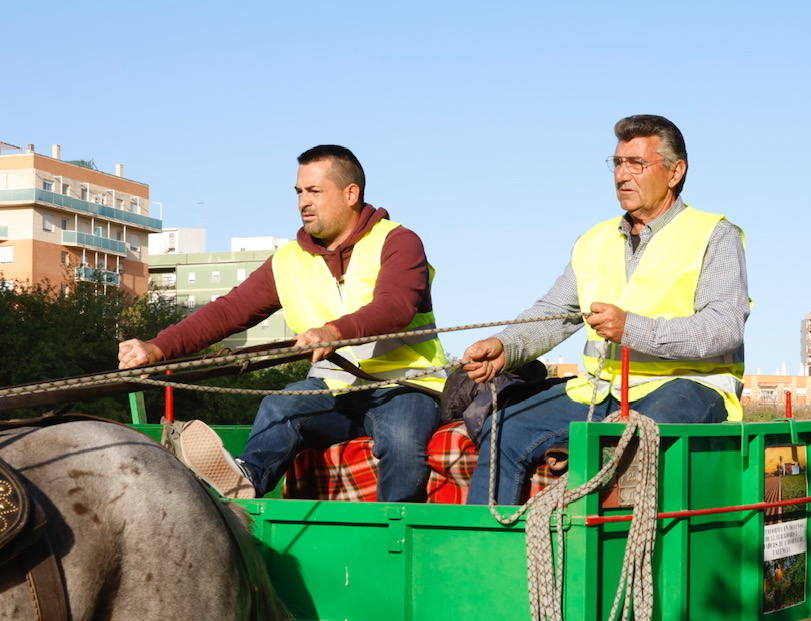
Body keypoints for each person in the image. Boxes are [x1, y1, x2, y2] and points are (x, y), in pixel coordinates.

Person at [118, 145, 446, 502]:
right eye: (299, 192)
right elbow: (228, 312)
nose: (303, 202)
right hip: (333, 390)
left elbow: (395, 306)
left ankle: (396, 535)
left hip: (407, 386)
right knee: (280, 405)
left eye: (314, 191)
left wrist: (334, 332)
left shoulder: (398, 241)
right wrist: (157, 347)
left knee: (401, 439)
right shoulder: (288, 260)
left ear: (351, 194)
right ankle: (244, 483)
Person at [462, 114, 750, 505]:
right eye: (617, 163)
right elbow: (555, 311)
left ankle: (616, 561)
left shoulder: (715, 234)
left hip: (688, 387)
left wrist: (633, 329)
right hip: (599, 391)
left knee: (636, 440)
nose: (622, 175)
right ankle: (490, 555)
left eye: (637, 164)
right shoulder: (593, 241)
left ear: (675, 172)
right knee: (503, 429)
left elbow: (723, 327)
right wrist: (506, 346)